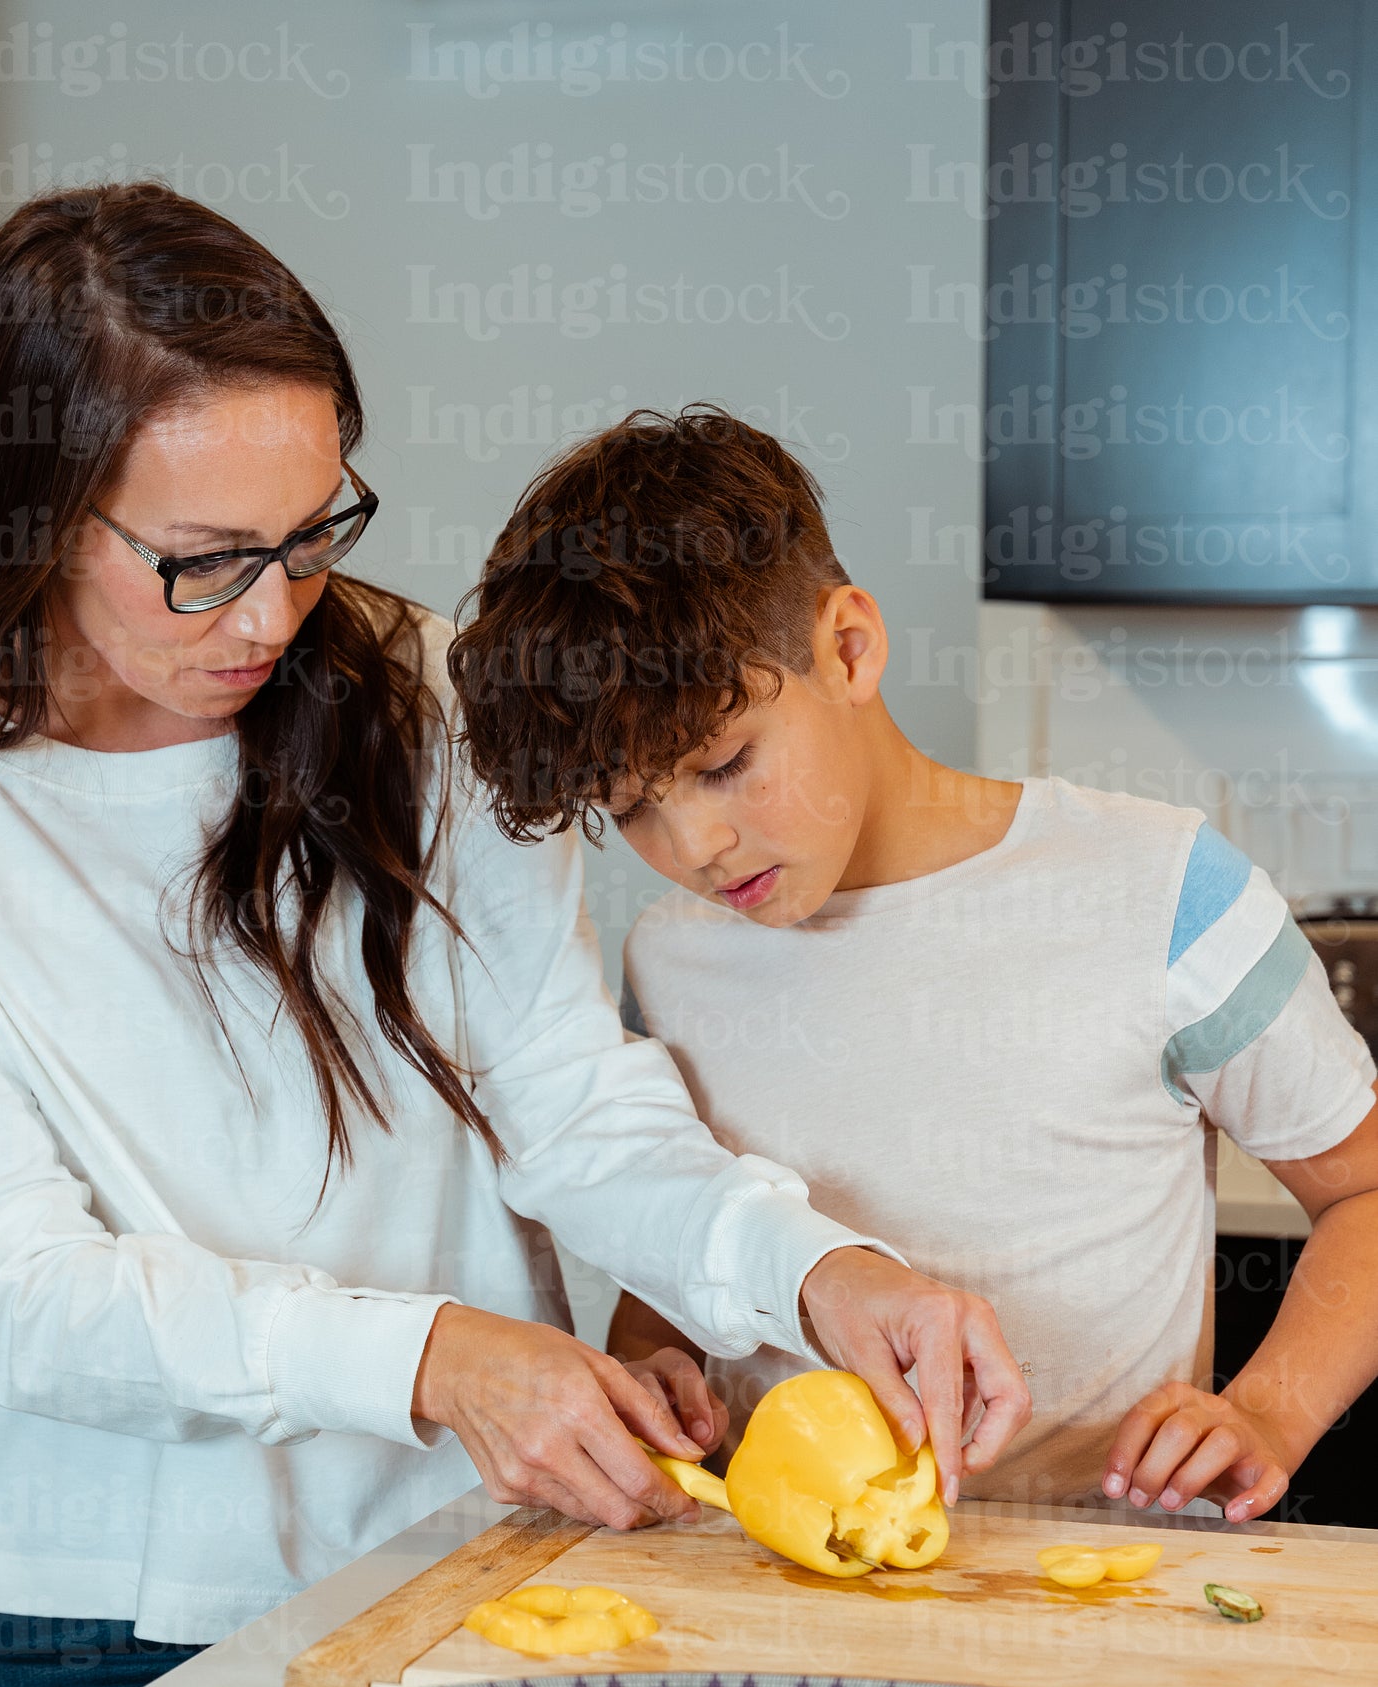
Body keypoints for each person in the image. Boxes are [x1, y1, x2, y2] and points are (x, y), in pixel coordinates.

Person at [0, 197, 1028, 1687]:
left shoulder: (415, 695)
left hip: (465, 1555)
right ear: (36, 511)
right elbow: (9, 1289)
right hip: (78, 1618)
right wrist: (440, 1360)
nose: (276, 617)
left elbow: (565, 1101)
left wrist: (816, 1269)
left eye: (310, 534)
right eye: (204, 564)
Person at [448, 406, 1378, 1526]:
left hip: (1110, 1580)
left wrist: (1270, 1413)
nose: (694, 848)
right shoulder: (672, 956)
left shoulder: (1163, 889)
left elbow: (1365, 1191)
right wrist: (660, 1368)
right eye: (632, 809)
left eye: (725, 764)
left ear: (849, 647)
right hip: (791, 1578)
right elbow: (684, 1258)